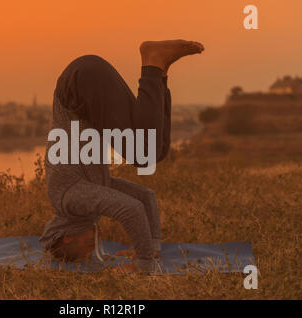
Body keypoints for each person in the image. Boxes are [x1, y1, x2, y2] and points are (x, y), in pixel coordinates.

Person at [39, 39, 205, 273]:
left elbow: (131, 209)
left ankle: (154, 60)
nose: (93, 246)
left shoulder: (71, 200)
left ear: (67, 238)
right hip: (85, 82)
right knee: (157, 149)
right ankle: (160, 68)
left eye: (85, 248)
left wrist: (143, 262)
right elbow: (145, 197)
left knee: (143, 154)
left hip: (79, 88)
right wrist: (152, 245)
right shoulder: (85, 193)